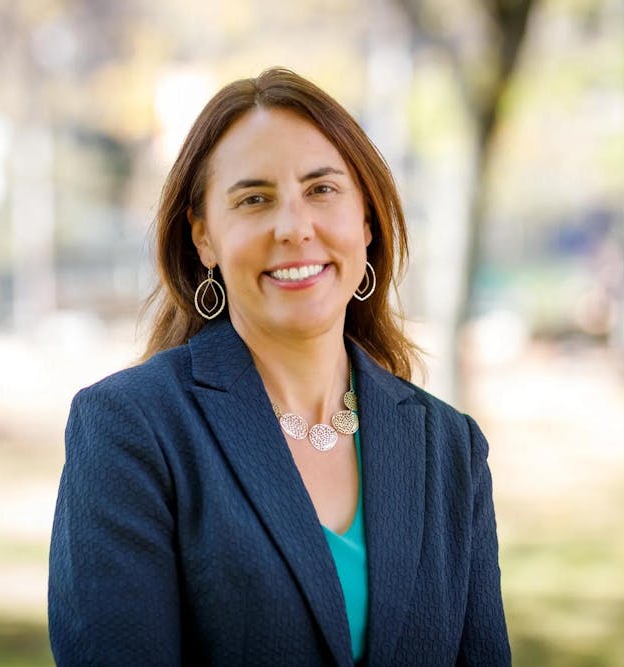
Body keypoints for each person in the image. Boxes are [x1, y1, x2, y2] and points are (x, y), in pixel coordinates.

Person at [48, 67, 511, 666]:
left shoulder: (450, 448)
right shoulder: (129, 428)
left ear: (366, 222)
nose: (294, 228)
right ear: (204, 238)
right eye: (254, 199)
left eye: (322, 190)